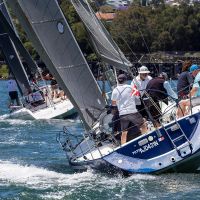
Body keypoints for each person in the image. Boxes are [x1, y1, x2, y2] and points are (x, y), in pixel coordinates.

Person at [111, 74, 147, 145]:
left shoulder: (115, 90)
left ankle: (123, 146)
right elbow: (137, 100)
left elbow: (113, 104)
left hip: (122, 114)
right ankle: (146, 139)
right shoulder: (131, 88)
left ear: (118, 81)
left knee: (124, 132)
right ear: (126, 80)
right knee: (143, 125)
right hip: (132, 112)